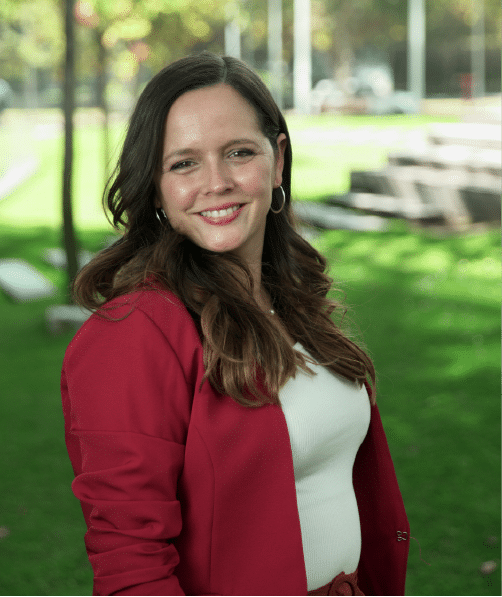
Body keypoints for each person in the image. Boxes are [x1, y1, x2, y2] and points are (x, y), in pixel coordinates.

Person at [61, 51, 409, 596]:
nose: (216, 182)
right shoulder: (133, 333)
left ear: (277, 159)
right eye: (183, 163)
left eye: (239, 152)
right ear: (155, 185)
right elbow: (131, 561)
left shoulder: (291, 300)